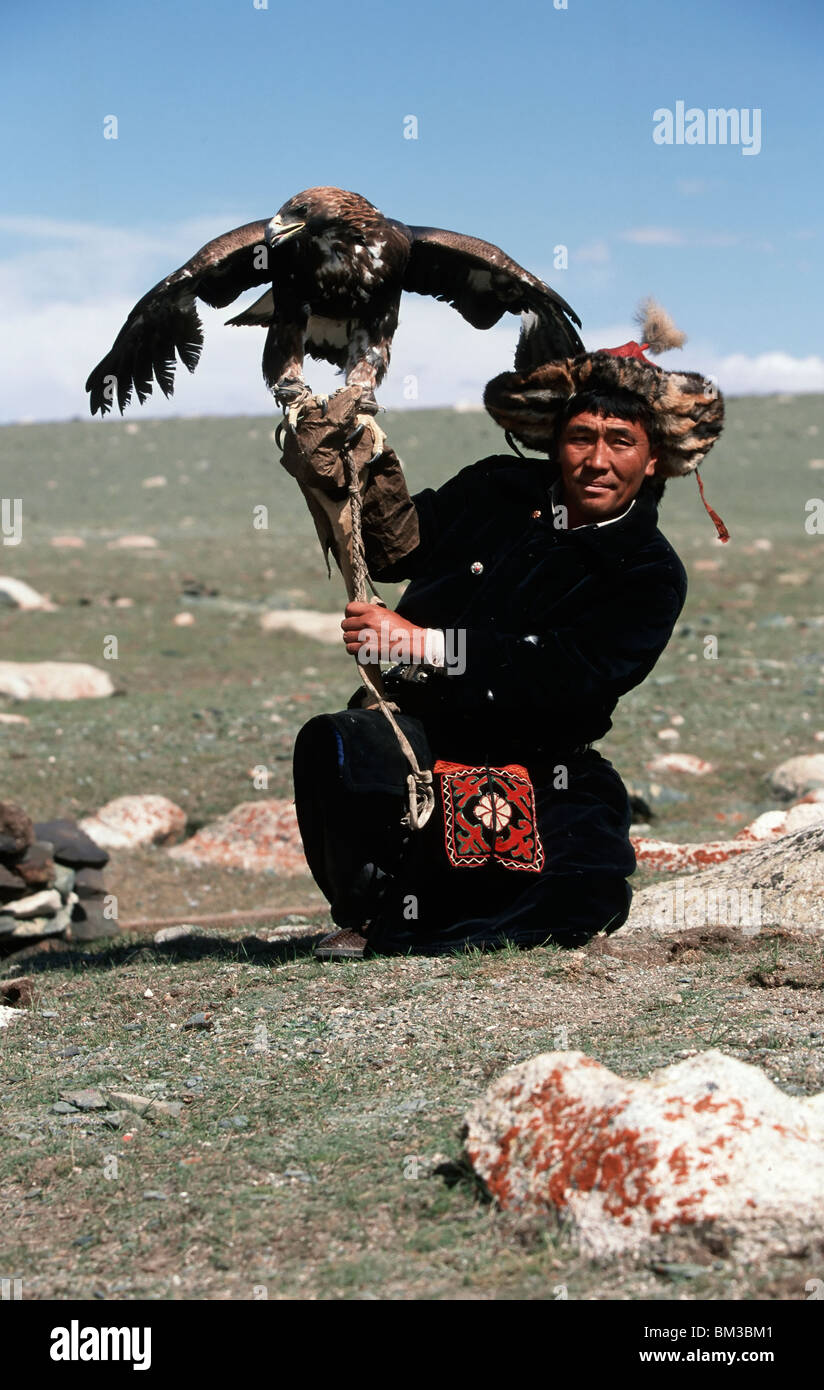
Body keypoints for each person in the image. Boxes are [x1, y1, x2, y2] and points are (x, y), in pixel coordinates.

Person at [291, 302, 726, 959]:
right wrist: (356, 464)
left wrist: (423, 644)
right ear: (558, 440)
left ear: (655, 459)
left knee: (571, 902)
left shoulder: (649, 573)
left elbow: (565, 672)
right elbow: (397, 549)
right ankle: (368, 913)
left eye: (621, 442)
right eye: (582, 437)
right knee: (341, 748)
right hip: (421, 738)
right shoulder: (496, 488)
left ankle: (410, 917)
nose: (596, 460)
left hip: (540, 768)